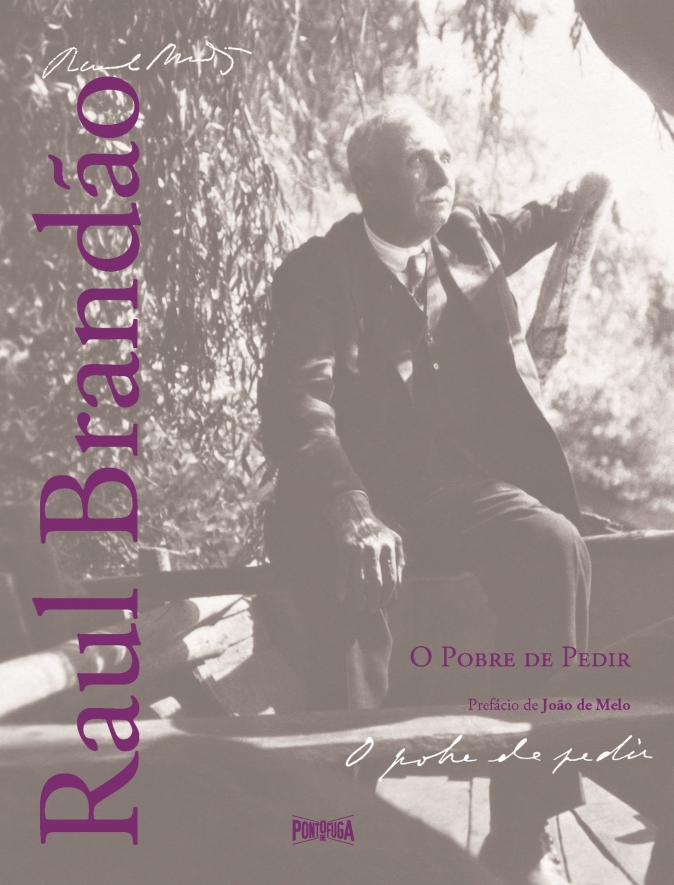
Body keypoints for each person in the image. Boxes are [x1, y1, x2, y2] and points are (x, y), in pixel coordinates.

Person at [259, 97, 591, 884]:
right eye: (419, 160)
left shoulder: (466, 238)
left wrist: (586, 192)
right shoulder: (315, 273)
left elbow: (529, 222)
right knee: (349, 608)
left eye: (447, 155)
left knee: (554, 545)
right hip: (345, 495)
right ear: (367, 181)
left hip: (450, 489)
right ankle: (334, 845)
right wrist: (351, 507)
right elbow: (297, 407)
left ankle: (521, 835)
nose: (443, 173)